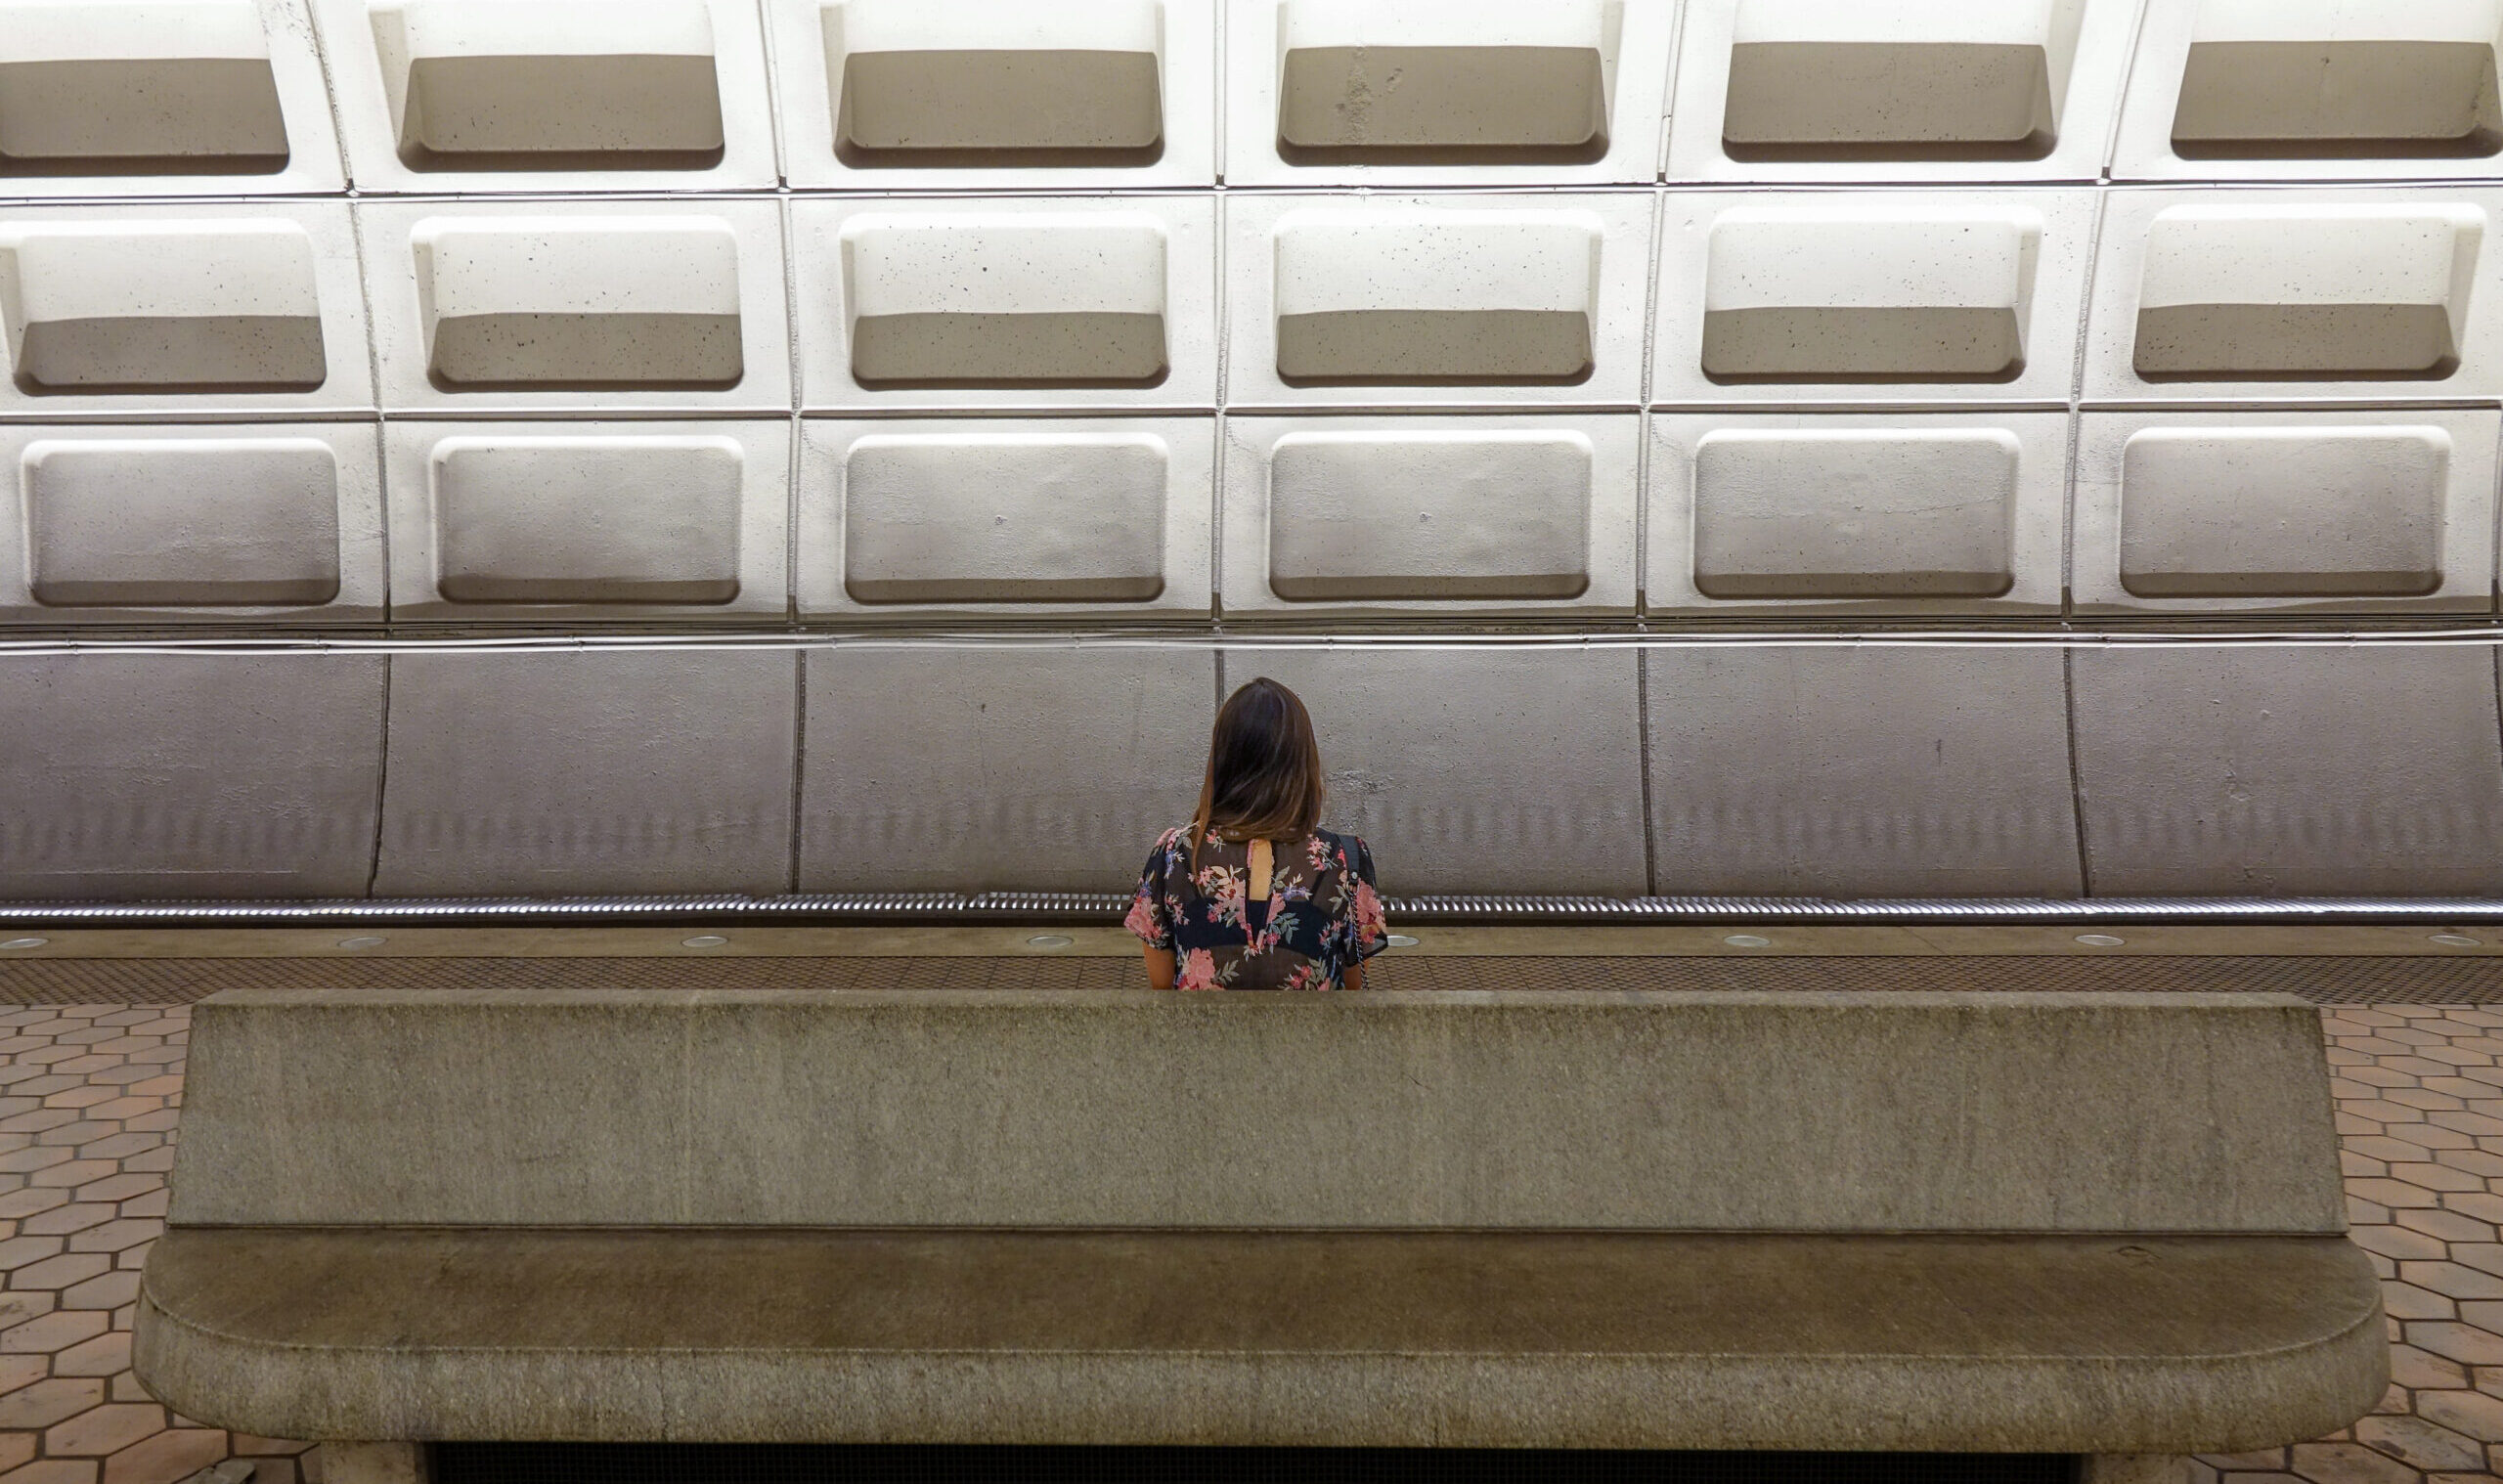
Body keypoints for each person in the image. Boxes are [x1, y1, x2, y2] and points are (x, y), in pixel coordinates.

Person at [1125, 677, 1387, 990]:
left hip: (1200, 1038)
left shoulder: (1173, 855)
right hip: (1313, 1039)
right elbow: (1354, 985)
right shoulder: (1346, 859)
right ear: (1303, 762)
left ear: (1223, 761)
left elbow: (1162, 985)